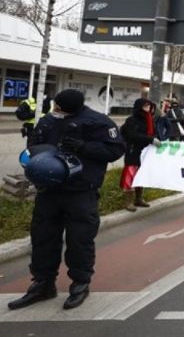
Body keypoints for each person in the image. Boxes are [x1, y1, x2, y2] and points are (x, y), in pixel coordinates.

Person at [8, 89, 125, 311]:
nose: (56, 111)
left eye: (60, 108)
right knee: (43, 237)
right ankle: (42, 284)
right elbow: (34, 144)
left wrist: (83, 147)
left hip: (81, 191)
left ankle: (80, 284)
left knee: (80, 239)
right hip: (49, 191)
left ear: (72, 107)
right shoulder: (48, 120)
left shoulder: (97, 122)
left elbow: (116, 149)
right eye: (56, 107)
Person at [120, 99, 162, 212]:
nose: (148, 107)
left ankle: (138, 199)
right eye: (145, 105)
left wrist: (156, 138)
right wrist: (151, 139)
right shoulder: (132, 120)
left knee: (141, 175)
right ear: (139, 107)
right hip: (133, 152)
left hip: (145, 153)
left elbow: (153, 133)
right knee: (130, 176)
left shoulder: (149, 119)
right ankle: (128, 202)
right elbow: (132, 135)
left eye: (149, 105)